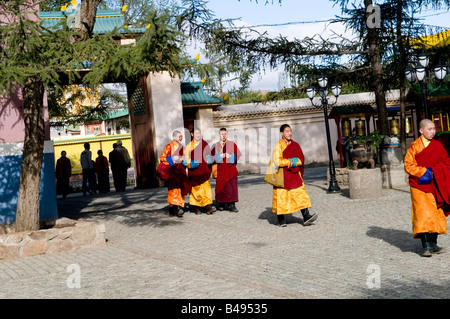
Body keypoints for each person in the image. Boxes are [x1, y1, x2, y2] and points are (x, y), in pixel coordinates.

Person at [404, 118, 450, 257]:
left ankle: (434, 244)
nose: (433, 132)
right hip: (420, 185)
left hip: (436, 184)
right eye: (429, 129)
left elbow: (446, 162)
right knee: (423, 215)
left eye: (434, 129)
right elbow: (408, 165)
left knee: (436, 214)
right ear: (421, 130)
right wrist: (426, 172)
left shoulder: (438, 145)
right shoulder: (415, 146)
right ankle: (425, 246)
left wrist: (435, 170)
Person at [268, 124, 316, 227]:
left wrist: (292, 161)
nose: (289, 133)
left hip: (294, 174)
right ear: (282, 133)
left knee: (300, 194)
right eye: (287, 131)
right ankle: (281, 220)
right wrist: (291, 161)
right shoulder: (278, 145)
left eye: (290, 131)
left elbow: (301, 159)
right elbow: (277, 162)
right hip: (282, 176)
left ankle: (306, 216)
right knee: (282, 197)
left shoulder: (296, 145)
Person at [159, 130, 192, 217]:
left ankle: (179, 207)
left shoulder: (182, 147)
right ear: (174, 137)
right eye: (179, 136)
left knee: (181, 188)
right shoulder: (168, 146)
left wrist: (183, 160)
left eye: (181, 136)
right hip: (172, 171)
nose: (180, 138)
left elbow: (186, 158)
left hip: (181, 170)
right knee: (173, 190)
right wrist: (173, 159)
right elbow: (162, 157)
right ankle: (173, 207)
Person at [184, 127, 216, 215]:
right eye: (196, 133)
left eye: (199, 133)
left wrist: (210, 159)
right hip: (195, 171)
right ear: (192, 134)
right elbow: (186, 160)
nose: (198, 135)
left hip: (204, 170)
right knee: (196, 190)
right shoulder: (188, 146)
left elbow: (208, 154)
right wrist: (192, 163)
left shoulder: (204, 144)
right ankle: (196, 207)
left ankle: (208, 207)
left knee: (206, 189)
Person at [211, 128, 242, 212]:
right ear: (219, 135)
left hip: (230, 169)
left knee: (231, 187)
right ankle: (221, 203)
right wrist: (218, 156)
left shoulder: (232, 144)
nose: (223, 136)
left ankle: (232, 204)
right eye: (222, 134)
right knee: (221, 187)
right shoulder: (215, 145)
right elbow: (210, 158)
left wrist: (231, 156)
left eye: (225, 134)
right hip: (220, 170)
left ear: (227, 135)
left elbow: (238, 156)